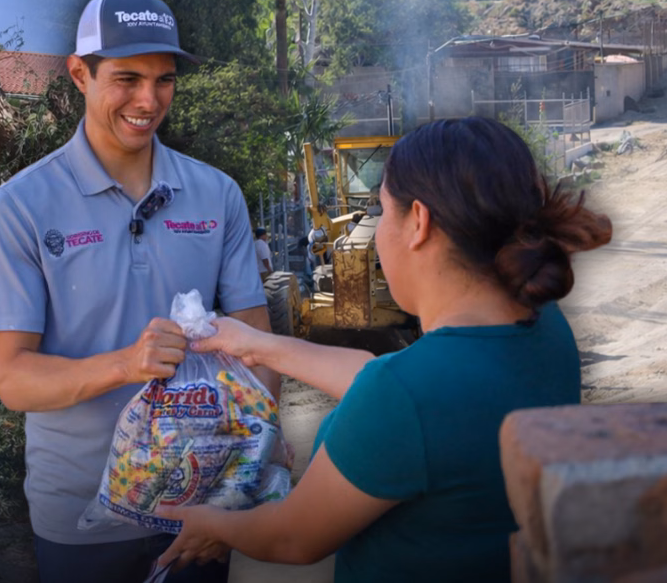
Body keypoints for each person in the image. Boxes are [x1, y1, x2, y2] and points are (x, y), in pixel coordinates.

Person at [156, 117, 613, 581]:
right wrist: (258, 344)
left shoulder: (404, 396)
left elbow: (292, 538)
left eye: (382, 210)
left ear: (418, 222)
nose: (376, 231)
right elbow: (390, 382)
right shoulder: (545, 327)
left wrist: (213, 524)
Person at [0, 0, 278, 583]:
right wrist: (125, 364)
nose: (148, 100)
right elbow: (13, 378)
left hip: (201, 508)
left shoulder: (217, 195)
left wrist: (240, 484)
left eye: (163, 80)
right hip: (79, 518)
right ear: (79, 75)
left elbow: (259, 351)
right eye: (127, 77)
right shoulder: (23, 206)